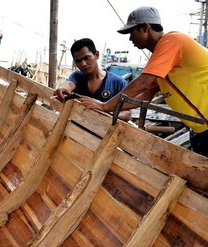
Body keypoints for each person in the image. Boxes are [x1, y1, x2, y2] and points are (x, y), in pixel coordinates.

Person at [79, 6, 208, 157]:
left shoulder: (173, 40)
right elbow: (144, 96)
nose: (130, 38)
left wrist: (105, 105)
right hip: (200, 131)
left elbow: (143, 82)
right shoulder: (159, 60)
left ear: (145, 28)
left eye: (131, 32)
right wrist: (106, 107)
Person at [54, 38, 131, 121]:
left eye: (86, 58)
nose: (83, 64)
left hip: (104, 132)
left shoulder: (118, 82)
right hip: (74, 130)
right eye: (78, 61)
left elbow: (127, 114)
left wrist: (103, 110)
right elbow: (68, 84)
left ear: (96, 55)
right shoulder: (77, 76)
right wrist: (62, 88)